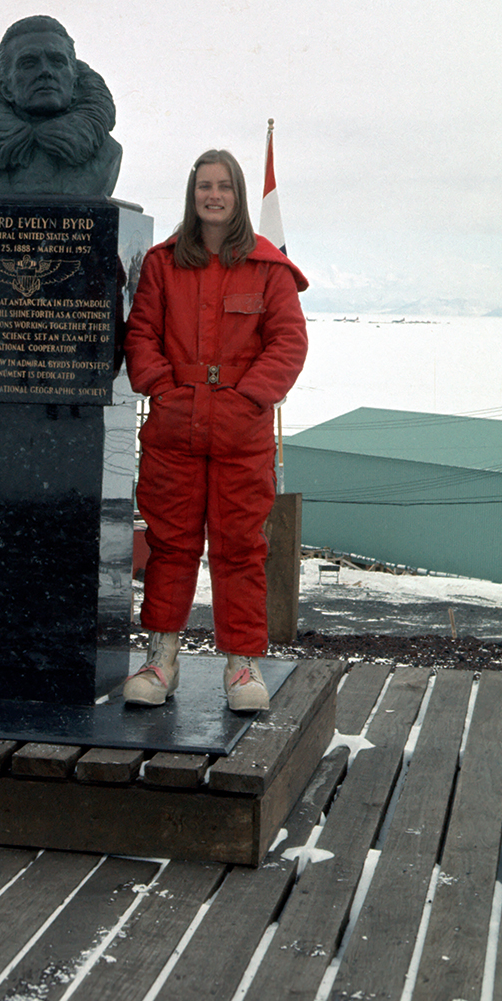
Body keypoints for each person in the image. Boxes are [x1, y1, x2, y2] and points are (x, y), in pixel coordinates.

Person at [123, 149, 308, 711]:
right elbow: (140, 337)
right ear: (192, 193)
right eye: (204, 186)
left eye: (223, 186)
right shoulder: (163, 264)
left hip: (240, 436)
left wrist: (248, 399)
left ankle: (242, 666)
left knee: (240, 550)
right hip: (174, 432)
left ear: (239, 194)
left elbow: (288, 343)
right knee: (170, 545)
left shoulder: (267, 267)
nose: (213, 195)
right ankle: (162, 660)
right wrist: (165, 392)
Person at [0, 15, 123, 197]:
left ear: (74, 83)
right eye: (29, 64)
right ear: (6, 88)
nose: (45, 71)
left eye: (57, 62)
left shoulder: (108, 153)